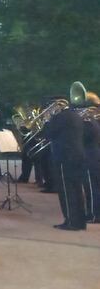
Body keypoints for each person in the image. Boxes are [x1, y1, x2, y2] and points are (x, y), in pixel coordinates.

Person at [43, 98, 87, 231]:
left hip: (64, 156)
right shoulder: (76, 116)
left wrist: (46, 120)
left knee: (66, 190)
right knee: (77, 188)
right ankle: (80, 221)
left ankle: (71, 221)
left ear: (57, 105)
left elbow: (48, 134)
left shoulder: (59, 117)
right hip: (77, 155)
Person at [82, 109, 100, 224]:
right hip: (93, 154)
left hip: (89, 156)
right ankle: (92, 213)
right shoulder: (93, 122)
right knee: (93, 187)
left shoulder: (88, 124)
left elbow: (82, 138)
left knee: (91, 188)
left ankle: (94, 214)